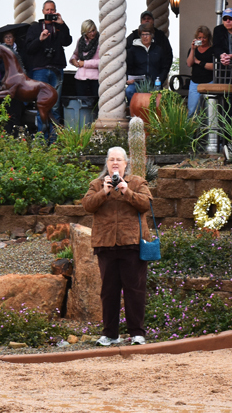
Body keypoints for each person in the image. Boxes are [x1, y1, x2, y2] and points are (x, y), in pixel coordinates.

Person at [81, 147, 153, 347]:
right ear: (106, 163)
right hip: (105, 244)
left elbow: (146, 204)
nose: (115, 163)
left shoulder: (137, 182)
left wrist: (125, 190)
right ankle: (110, 334)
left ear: (125, 163)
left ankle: (137, 334)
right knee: (109, 291)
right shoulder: (96, 184)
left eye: (118, 160)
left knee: (135, 290)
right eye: (111, 159)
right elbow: (87, 205)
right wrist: (104, 192)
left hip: (132, 244)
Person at [24, 0, 73, 131]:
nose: (50, 12)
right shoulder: (35, 28)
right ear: (43, 11)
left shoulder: (58, 27)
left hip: (56, 69)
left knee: (55, 106)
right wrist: (40, 39)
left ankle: (53, 139)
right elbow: (29, 48)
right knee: (42, 105)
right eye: (47, 10)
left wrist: (62, 24)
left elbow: (67, 41)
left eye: (52, 10)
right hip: (41, 69)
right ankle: (42, 138)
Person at [125, 24, 170, 103]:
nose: (145, 37)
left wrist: (160, 79)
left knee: (159, 99)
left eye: (147, 34)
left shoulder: (158, 49)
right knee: (129, 91)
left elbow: (165, 67)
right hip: (137, 83)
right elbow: (127, 66)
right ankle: (135, 111)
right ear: (140, 35)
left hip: (154, 83)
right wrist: (128, 79)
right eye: (143, 34)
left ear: (152, 35)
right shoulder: (132, 50)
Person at [185, 26, 214, 117]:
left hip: (209, 82)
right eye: (199, 38)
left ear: (208, 37)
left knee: (209, 111)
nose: (202, 40)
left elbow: (214, 66)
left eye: (204, 37)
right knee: (192, 111)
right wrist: (193, 49)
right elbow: (189, 64)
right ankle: (192, 130)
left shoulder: (212, 50)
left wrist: (199, 62)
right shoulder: (193, 50)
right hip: (195, 83)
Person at [69, 19, 101, 98]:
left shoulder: (101, 41)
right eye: (89, 31)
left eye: (94, 30)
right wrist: (73, 60)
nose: (92, 33)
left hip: (95, 78)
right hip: (80, 77)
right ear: (84, 32)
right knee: (81, 102)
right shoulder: (80, 41)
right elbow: (75, 54)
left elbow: (103, 61)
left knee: (95, 103)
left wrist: (85, 63)